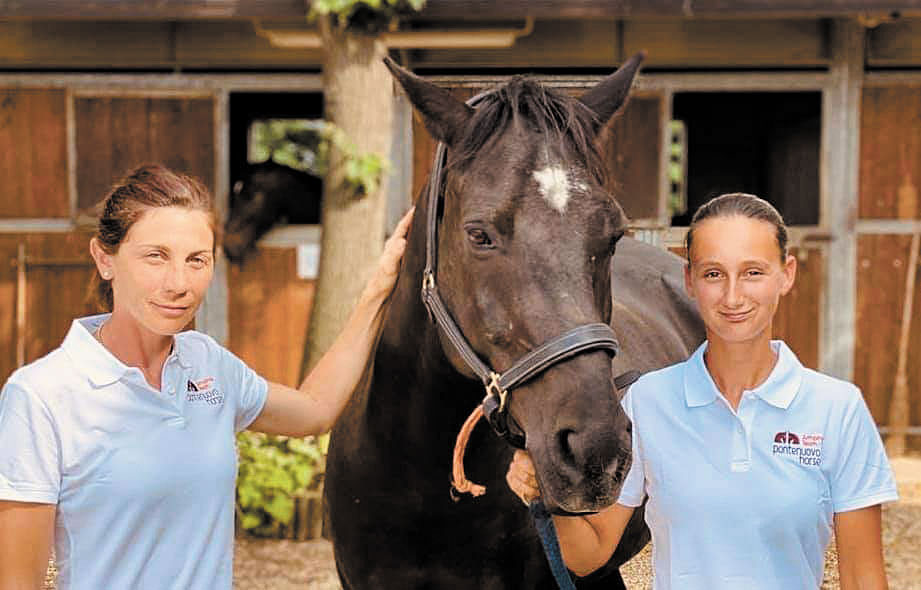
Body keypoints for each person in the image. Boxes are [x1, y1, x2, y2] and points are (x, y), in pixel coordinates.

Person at [0, 164, 414, 590]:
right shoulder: (41, 395)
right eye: (155, 256)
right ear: (105, 259)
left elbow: (314, 410)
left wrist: (378, 290)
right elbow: (19, 583)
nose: (179, 283)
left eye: (197, 260)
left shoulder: (208, 363)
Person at [506, 193, 898, 589]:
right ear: (689, 280)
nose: (732, 296)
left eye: (753, 273)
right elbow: (588, 556)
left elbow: (864, 578)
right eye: (713, 274)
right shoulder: (648, 401)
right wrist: (549, 487)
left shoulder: (837, 409)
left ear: (787, 274)